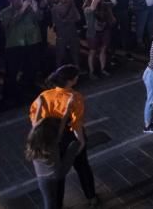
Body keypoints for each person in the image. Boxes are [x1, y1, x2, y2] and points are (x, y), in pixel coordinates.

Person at [29, 65, 98, 206]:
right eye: (76, 77)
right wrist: (81, 140)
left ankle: (58, 203)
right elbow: (76, 123)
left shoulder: (44, 96)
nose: (78, 78)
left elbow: (34, 119)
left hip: (49, 137)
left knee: (57, 175)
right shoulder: (75, 97)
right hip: (70, 136)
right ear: (71, 81)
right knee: (82, 167)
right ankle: (91, 196)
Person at [27, 91, 80, 209]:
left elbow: (36, 123)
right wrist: (68, 106)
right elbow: (63, 122)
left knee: (49, 202)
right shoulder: (53, 142)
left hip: (42, 178)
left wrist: (40, 105)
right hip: (58, 173)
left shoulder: (32, 140)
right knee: (75, 145)